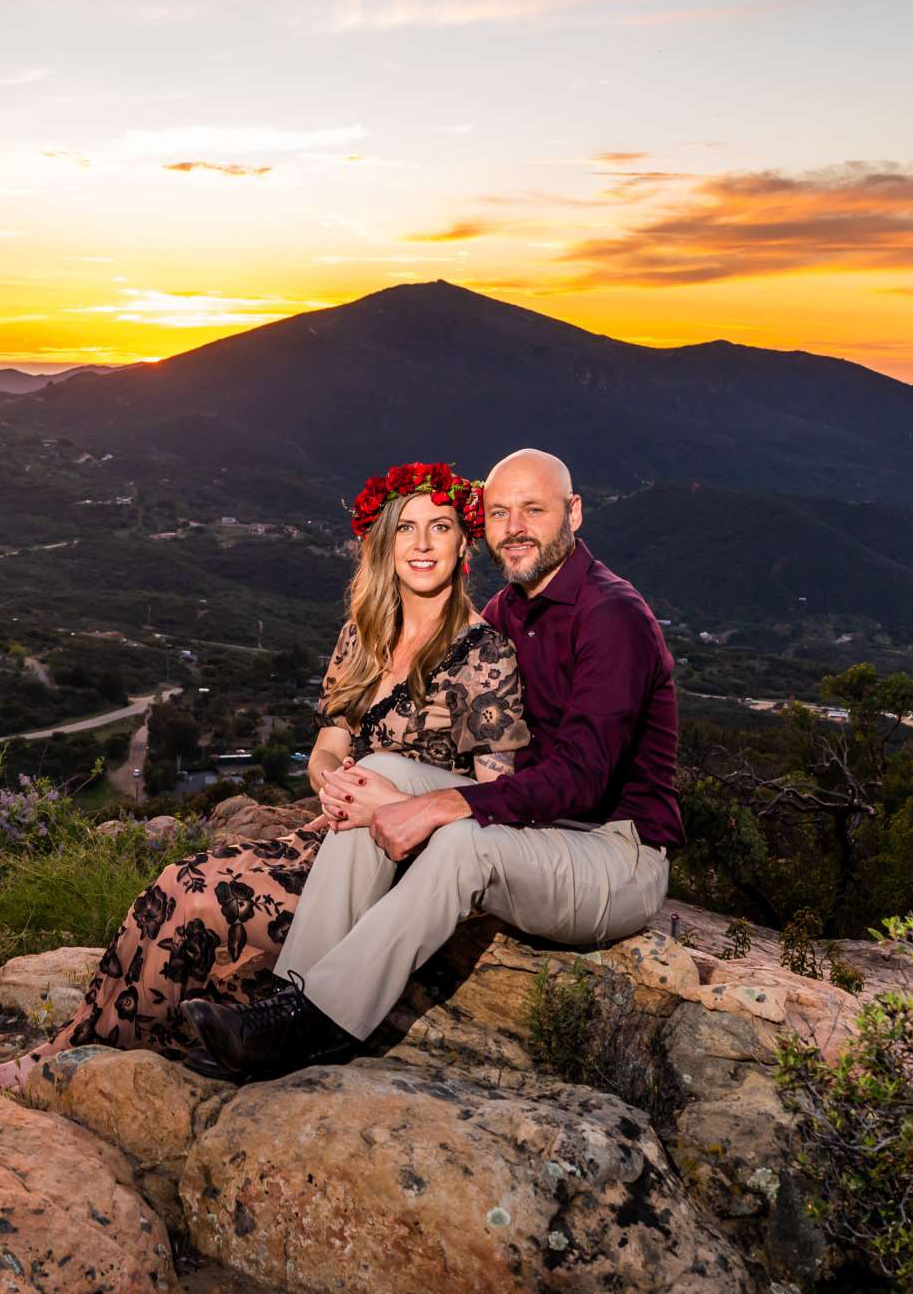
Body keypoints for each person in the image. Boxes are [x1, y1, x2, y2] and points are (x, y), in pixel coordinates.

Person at [0, 460, 528, 1091]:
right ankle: (74, 1045)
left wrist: (390, 797)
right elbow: (328, 748)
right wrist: (331, 782)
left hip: (408, 862)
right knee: (175, 879)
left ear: (464, 543)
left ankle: (75, 1064)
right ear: (385, 542)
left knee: (204, 903)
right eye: (407, 528)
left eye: (441, 527)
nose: (423, 544)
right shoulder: (364, 636)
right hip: (335, 837)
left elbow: (494, 797)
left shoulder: (483, 653)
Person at [183, 448, 678, 1080]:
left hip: (615, 852)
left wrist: (436, 806)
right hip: (540, 830)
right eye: (500, 512)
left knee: (461, 845)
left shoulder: (611, 616)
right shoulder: (506, 616)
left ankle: (315, 1026)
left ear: (573, 513)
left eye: (535, 509)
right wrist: (381, 793)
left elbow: (584, 775)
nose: (516, 526)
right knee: (377, 772)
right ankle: (289, 998)